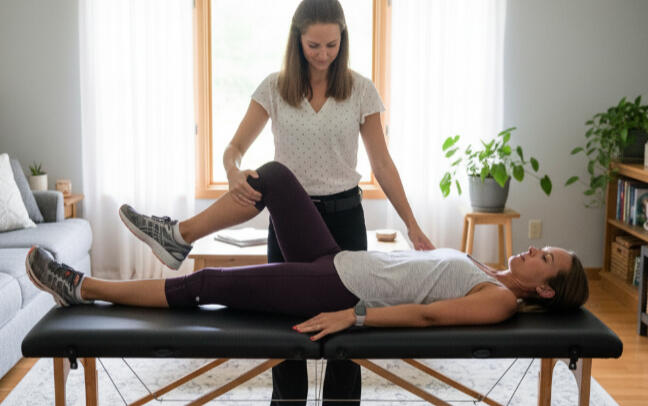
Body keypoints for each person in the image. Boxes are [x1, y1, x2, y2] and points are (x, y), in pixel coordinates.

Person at [27, 162, 589, 348]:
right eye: (543, 248)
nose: (534, 249)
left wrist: (354, 317)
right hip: (337, 261)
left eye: (546, 258)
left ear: (545, 289)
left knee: (209, 285)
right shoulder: (485, 269)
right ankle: (179, 236)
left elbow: (427, 316)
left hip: (338, 290)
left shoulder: (499, 300)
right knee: (273, 176)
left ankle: (81, 287)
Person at [220, 0, 433, 403]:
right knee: (286, 327)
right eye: (313, 45)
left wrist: (412, 223)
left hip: (344, 219)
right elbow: (234, 148)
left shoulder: (360, 89)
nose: (323, 55)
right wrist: (232, 170)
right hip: (290, 222)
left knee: (348, 330)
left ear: (343, 40)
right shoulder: (274, 88)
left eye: (332, 45)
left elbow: (382, 164)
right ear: (297, 40)